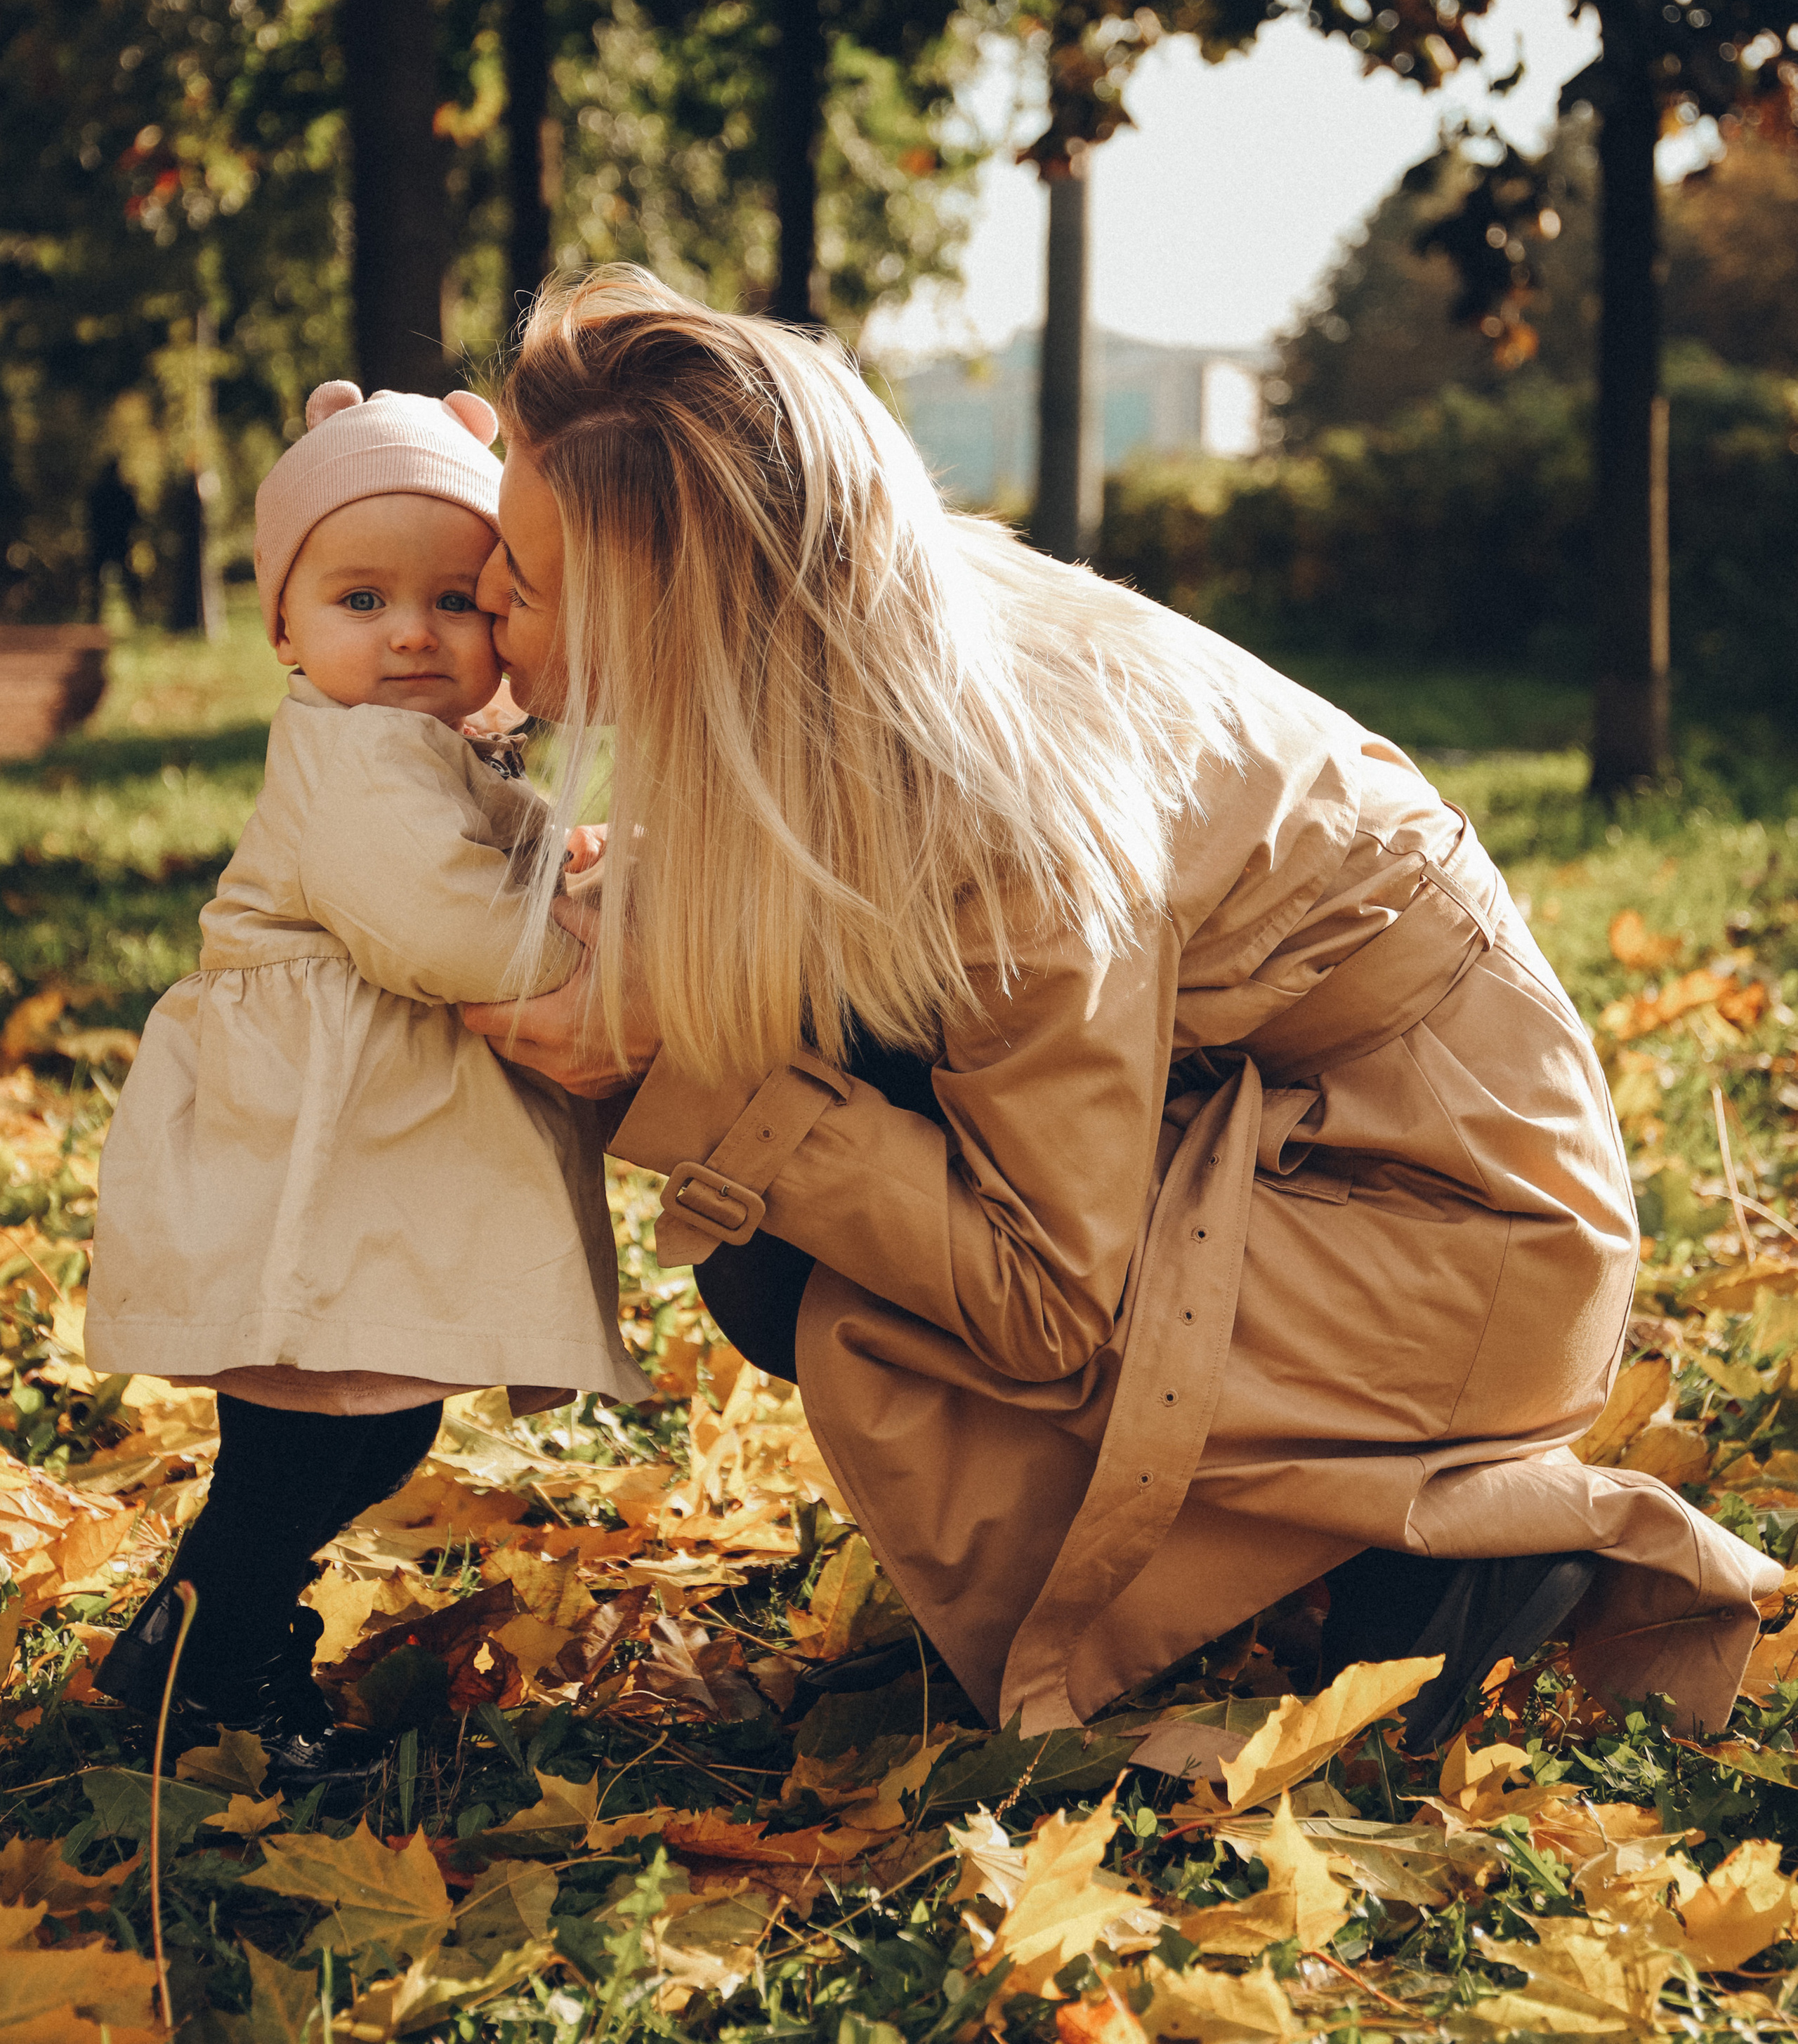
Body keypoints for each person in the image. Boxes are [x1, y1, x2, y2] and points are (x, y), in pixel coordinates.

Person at [464, 265, 1780, 1755]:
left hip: (1448, 1243)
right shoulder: (859, 644)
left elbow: (1044, 1301)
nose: (482, 599)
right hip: (1321, 1161)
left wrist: (699, 1083)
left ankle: (1443, 1555)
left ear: (667, 616)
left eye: (515, 575)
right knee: (803, 1198)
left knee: (807, 1264)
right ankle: (1273, 1578)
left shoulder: (995, 817)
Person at [87, 381, 646, 1787]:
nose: (411, 629)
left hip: (352, 1173)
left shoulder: (427, 753)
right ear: (284, 626)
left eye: (456, 598)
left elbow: (502, 852)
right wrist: (592, 925)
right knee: (296, 1452)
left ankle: (196, 1635)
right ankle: (205, 1676)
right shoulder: (350, 763)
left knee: (375, 1430)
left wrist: (575, 857)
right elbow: (445, 922)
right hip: (304, 1175)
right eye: (358, 597)